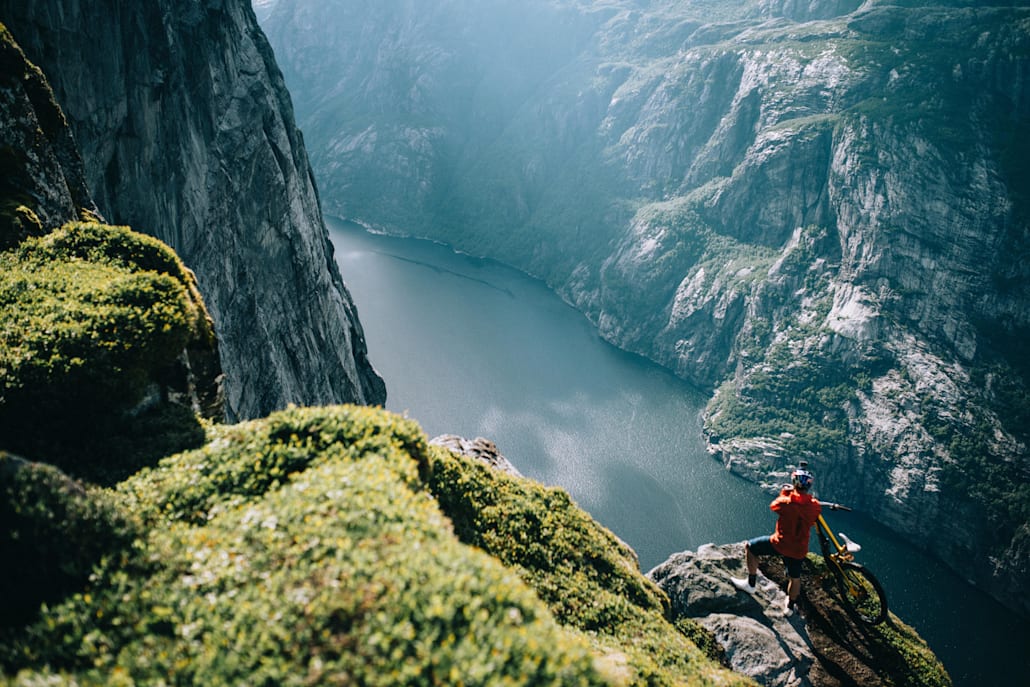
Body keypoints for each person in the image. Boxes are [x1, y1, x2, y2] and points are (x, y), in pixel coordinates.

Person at [731, 465, 822, 615]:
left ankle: (751, 584)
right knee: (795, 577)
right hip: (799, 549)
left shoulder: (786, 502)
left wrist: (785, 492)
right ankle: (790, 607)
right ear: (809, 485)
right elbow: (812, 514)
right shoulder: (814, 506)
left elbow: (774, 505)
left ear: (794, 482)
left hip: (780, 544)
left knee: (751, 547)